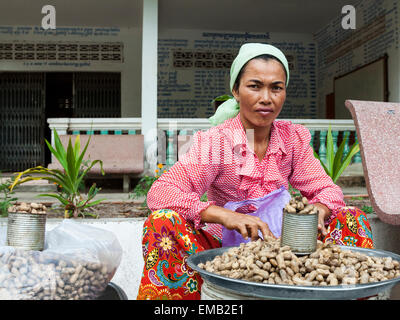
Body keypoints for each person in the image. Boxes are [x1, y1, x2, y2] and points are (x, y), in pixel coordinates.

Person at [136, 43, 373, 300]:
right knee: (162, 223)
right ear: (235, 91)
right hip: (223, 251)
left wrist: (318, 211)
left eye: (276, 88)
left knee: (352, 218)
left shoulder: (292, 138)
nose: (266, 98)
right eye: (255, 86)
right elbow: (161, 193)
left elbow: (326, 189)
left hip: (286, 248)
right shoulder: (217, 142)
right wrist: (225, 215)